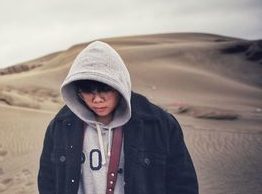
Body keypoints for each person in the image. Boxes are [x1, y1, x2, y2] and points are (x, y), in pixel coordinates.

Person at [38, 41, 198, 194]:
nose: (97, 99)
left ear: (120, 86)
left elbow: (182, 185)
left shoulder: (159, 125)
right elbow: (47, 182)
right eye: (87, 90)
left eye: (105, 89)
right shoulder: (60, 126)